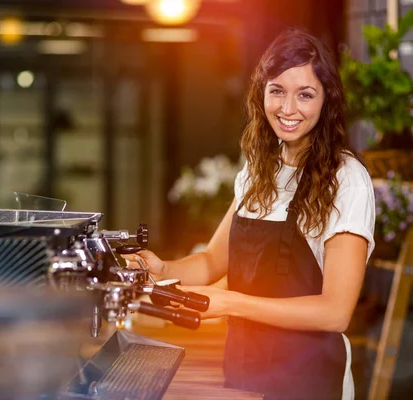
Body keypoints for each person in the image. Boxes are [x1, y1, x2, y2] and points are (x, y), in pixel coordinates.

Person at [123, 27, 375, 399]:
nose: (288, 109)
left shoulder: (346, 179)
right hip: (246, 375)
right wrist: (162, 269)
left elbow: (335, 311)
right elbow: (212, 261)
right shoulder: (259, 172)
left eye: (305, 95)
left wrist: (230, 303)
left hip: (310, 380)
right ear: (262, 94)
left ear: (327, 101)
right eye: (277, 91)